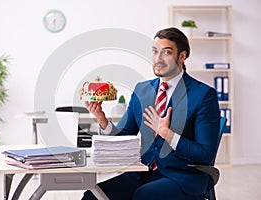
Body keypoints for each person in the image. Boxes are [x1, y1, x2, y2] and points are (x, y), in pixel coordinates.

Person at [82, 27, 220, 200]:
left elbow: (205, 154)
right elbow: (124, 137)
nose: (158, 59)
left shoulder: (203, 95)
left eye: (166, 52)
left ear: (182, 56)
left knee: (144, 196)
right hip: (142, 173)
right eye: (155, 51)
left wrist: (167, 134)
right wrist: (102, 120)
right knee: (92, 196)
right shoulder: (142, 90)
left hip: (182, 177)